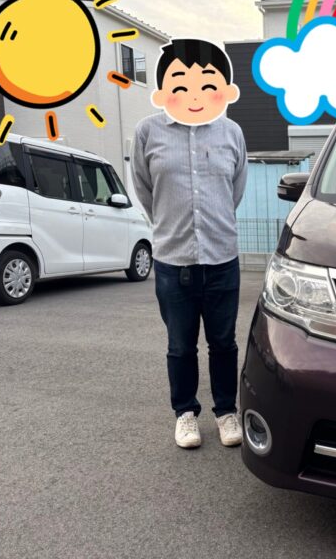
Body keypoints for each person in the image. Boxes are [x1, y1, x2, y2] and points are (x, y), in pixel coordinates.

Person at [131, 38, 246, 449]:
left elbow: (235, 190)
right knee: (180, 346)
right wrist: (169, 223)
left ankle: (226, 411)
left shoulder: (232, 132)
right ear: (164, 87)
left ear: (223, 87)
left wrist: (214, 223)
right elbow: (144, 189)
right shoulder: (148, 132)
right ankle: (185, 413)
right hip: (172, 259)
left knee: (223, 343)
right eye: (180, 82)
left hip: (221, 257)